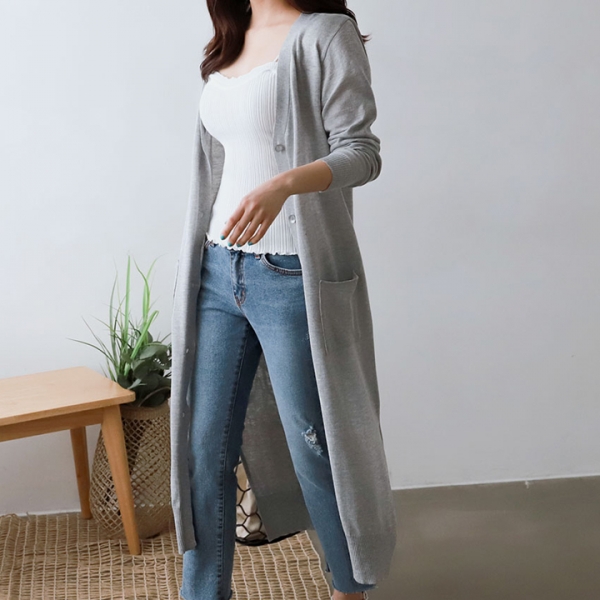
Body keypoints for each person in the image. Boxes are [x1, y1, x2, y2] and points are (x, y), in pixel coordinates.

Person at [173, 1, 394, 599]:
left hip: (291, 273)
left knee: (316, 448)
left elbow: (362, 151)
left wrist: (284, 184)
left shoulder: (324, 35)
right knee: (204, 452)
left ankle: (349, 588)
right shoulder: (231, 37)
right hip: (216, 270)